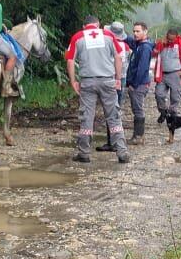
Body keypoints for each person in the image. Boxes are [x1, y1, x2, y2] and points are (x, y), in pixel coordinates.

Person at [65, 15, 129, 164]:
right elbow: (119, 57)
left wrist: (73, 81)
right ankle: (122, 152)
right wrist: (118, 79)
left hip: (87, 82)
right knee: (113, 116)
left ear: (84, 26)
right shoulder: (108, 35)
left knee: (87, 117)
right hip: (107, 81)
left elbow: (70, 60)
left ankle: (84, 153)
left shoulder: (77, 37)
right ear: (98, 25)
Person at [96, 21, 131, 152]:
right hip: (121, 79)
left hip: (113, 79)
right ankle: (115, 141)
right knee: (115, 110)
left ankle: (113, 142)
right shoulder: (126, 46)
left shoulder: (110, 44)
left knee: (111, 111)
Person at [153, 28, 181, 122]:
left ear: (176, 37)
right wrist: (160, 44)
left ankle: (172, 113)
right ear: (166, 35)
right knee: (159, 94)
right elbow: (154, 54)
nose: (169, 41)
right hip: (162, 74)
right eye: (168, 39)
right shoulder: (161, 42)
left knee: (175, 96)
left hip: (175, 74)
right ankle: (163, 112)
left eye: (172, 39)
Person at [124, 22, 154, 145]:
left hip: (140, 84)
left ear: (145, 31)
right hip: (138, 83)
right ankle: (137, 136)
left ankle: (138, 137)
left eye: (138, 31)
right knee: (136, 109)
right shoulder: (138, 45)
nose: (135, 34)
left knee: (138, 109)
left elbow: (142, 68)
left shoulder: (145, 47)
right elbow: (128, 39)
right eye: (134, 31)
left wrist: (133, 85)